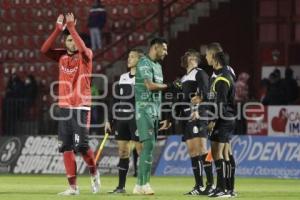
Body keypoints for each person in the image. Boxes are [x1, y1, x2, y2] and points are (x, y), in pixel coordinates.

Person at [41, 13, 100, 195]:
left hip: (81, 106)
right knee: (66, 147)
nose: (72, 43)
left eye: (74, 40)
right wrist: (58, 29)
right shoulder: (61, 57)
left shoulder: (86, 55)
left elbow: (82, 47)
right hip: (65, 107)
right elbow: (44, 50)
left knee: (81, 146)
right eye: (68, 40)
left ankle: (94, 172)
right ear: (65, 43)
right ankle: (73, 188)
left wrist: (72, 28)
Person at [133, 37, 181, 195]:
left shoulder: (158, 67)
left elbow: (160, 93)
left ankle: (139, 185)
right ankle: (144, 184)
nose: (166, 53)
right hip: (144, 109)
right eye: (164, 49)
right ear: (155, 47)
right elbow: (150, 86)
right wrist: (169, 86)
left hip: (154, 111)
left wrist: (165, 116)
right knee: (148, 146)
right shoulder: (144, 63)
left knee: (150, 147)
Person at [105, 49, 144, 194]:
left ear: (139, 61)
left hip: (137, 119)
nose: (129, 59)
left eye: (132, 57)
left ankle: (142, 185)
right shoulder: (123, 77)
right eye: (128, 56)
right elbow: (115, 100)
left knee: (141, 152)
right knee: (122, 152)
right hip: (122, 119)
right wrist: (109, 119)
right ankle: (121, 187)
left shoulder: (143, 78)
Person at [176, 50, 214, 195]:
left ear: (195, 59)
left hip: (198, 114)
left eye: (191, 56)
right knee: (192, 151)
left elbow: (206, 93)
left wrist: (198, 109)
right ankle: (199, 186)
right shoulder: (185, 77)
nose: (188, 58)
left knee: (203, 149)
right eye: (186, 56)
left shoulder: (200, 73)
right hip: (187, 117)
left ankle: (210, 185)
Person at [205, 43, 236, 197]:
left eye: (207, 55)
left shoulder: (222, 78)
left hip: (223, 119)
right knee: (222, 154)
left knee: (219, 154)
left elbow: (221, 103)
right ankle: (227, 189)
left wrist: (212, 121)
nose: (206, 57)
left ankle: (223, 189)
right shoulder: (220, 75)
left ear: (214, 57)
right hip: (225, 118)